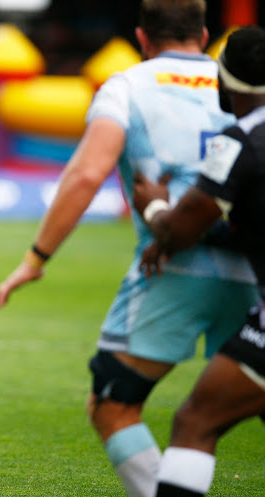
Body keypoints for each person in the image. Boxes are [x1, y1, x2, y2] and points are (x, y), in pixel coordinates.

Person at [0, 2, 257, 497]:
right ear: (204, 33)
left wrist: (36, 259)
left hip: (172, 264)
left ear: (141, 36)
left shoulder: (128, 84)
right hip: (254, 272)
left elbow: (87, 175)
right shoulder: (243, 81)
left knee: (113, 405)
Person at [132, 25, 265, 497]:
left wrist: (154, 206)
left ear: (226, 81)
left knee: (195, 421)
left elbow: (180, 228)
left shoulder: (240, 142)